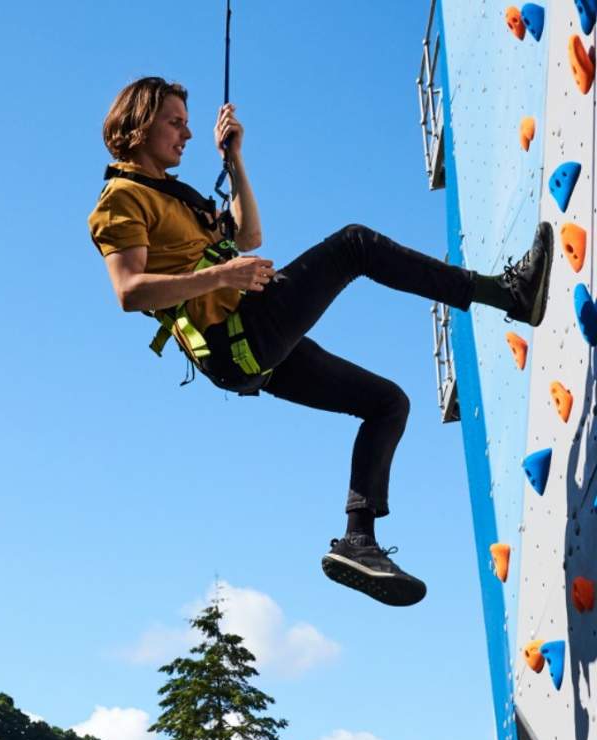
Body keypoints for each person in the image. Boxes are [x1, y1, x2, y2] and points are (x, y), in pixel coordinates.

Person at [88, 77, 554, 607]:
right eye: (175, 122)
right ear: (137, 125)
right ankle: (509, 294)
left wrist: (234, 159)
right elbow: (129, 291)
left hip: (248, 344)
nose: (188, 133)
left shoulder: (176, 199)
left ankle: (359, 540)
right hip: (237, 334)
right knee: (355, 244)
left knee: (388, 403)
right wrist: (223, 279)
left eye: (187, 123)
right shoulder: (121, 199)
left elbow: (250, 237)